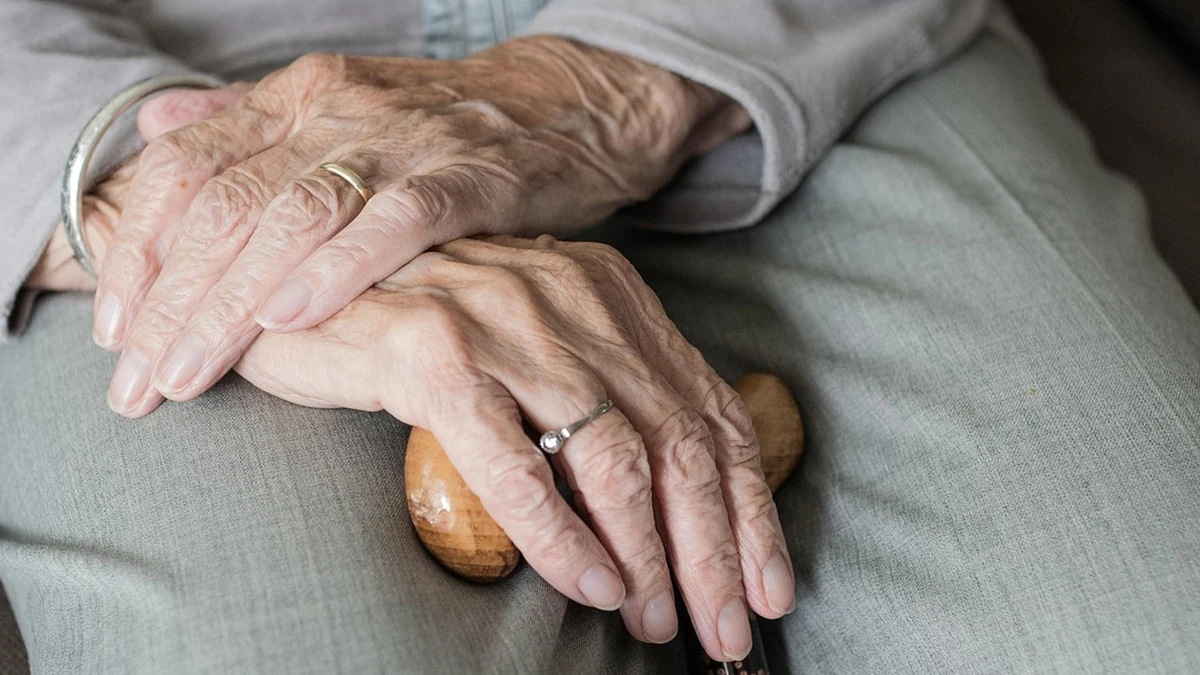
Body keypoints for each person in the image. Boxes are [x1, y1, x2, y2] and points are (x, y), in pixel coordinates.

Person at [2, 0, 1198, 672]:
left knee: (1145, 629)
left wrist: (589, 90)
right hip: (133, 97)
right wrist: (193, 212)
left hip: (789, 45)